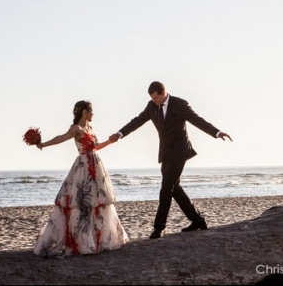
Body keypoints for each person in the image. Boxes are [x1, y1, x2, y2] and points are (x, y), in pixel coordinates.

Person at [110, 81, 232, 239]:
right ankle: (198, 221)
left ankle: (159, 228)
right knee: (175, 188)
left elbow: (197, 120)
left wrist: (217, 132)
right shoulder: (151, 106)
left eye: (157, 98)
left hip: (180, 152)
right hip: (165, 153)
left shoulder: (179, 104)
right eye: (152, 99)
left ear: (163, 93)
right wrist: (120, 134)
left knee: (166, 188)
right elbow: (137, 121)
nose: (155, 101)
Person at [33, 100, 128, 256]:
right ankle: (81, 241)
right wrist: (43, 144)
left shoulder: (89, 128)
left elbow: (95, 147)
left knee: (96, 202)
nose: (93, 114)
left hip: (96, 165)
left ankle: (95, 240)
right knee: (82, 201)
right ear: (85, 112)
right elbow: (61, 138)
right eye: (91, 111)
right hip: (83, 166)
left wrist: (109, 141)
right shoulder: (76, 128)